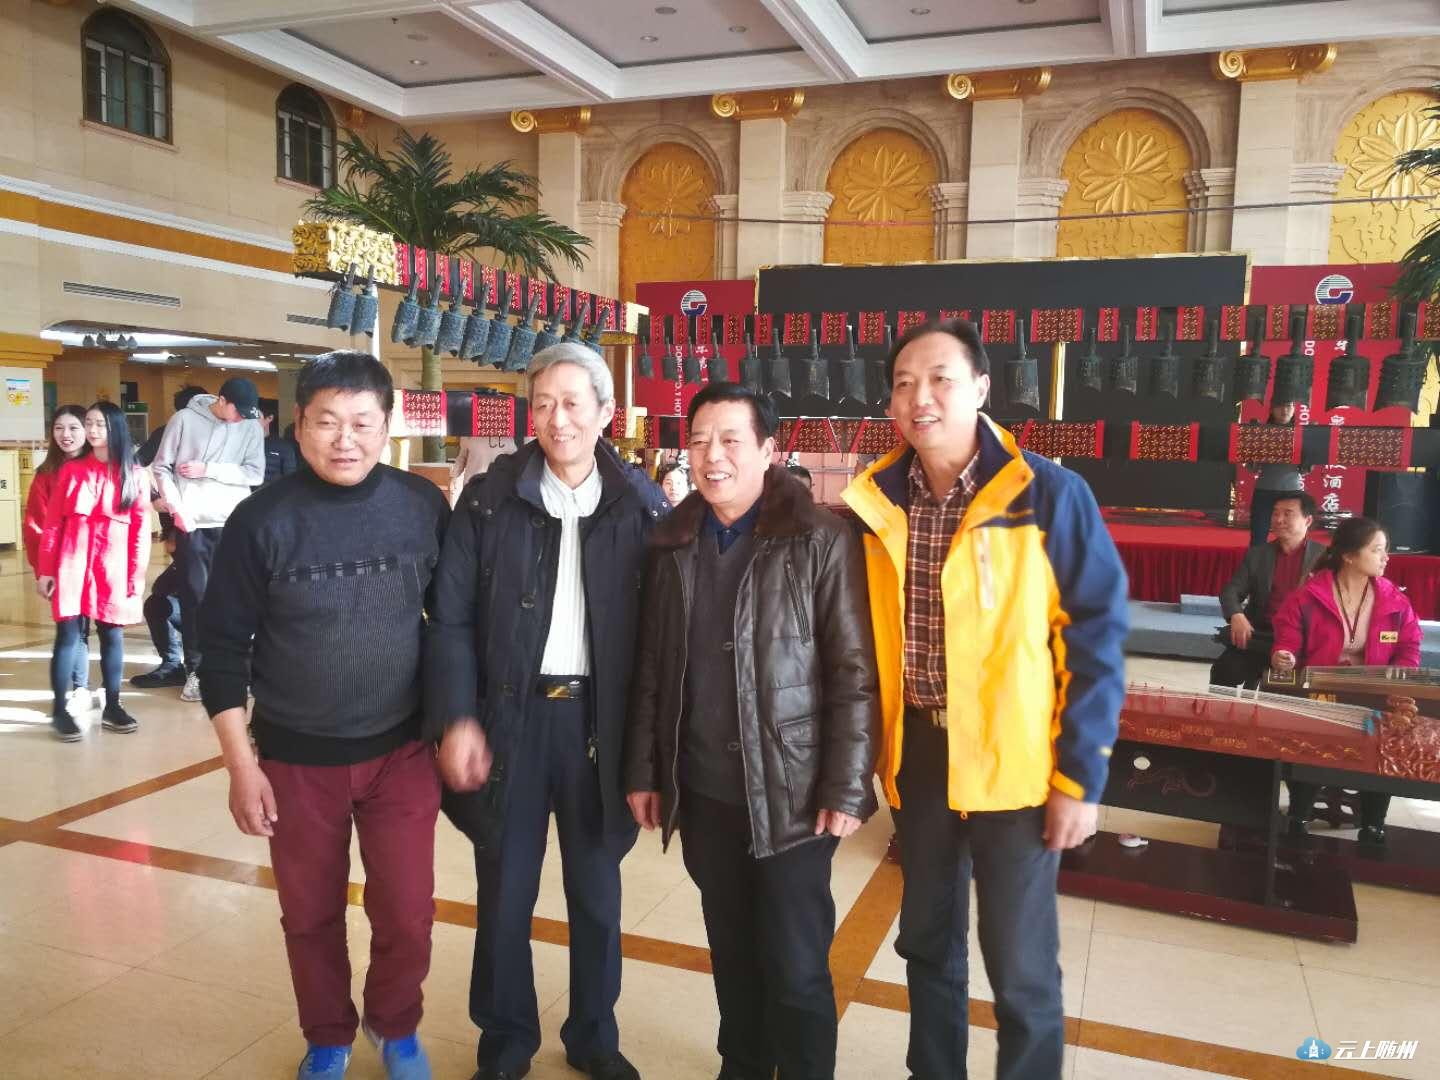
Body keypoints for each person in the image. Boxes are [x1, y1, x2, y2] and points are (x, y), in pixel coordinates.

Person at [841, 318, 1128, 1080]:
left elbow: (1095, 642)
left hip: (1015, 763)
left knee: (1021, 966)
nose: (921, 398)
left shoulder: (1047, 494)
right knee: (927, 943)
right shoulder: (876, 505)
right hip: (921, 755)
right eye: (904, 384)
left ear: (981, 388)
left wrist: (1080, 780)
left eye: (940, 379)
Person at [198, 351, 449, 1080]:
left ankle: (394, 1025)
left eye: (362, 423)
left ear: (387, 426)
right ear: (299, 425)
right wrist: (241, 768)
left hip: (402, 752)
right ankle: (329, 1035)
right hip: (295, 759)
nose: (346, 440)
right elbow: (221, 652)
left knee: (408, 911)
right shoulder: (261, 521)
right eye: (327, 422)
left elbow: (454, 623)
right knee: (310, 915)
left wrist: (459, 723)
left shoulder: (421, 505)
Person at [425, 342, 667, 1080]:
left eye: (573, 403)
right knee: (505, 895)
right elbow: (450, 618)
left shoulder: (642, 508)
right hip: (511, 721)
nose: (558, 419)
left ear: (606, 413)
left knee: (596, 894)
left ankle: (594, 1037)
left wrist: (650, 755)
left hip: (599, 726)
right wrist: (457, 717)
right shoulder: (489, 499)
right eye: (543, 404)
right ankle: (505, 1043)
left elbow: (661, 643)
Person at [625, 383, 879, 1080]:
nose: (713, 456)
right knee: (732, 953)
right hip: (706, 791)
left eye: (731, 440)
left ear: (769, 450)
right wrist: (646, 770)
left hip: (794, 793)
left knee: (796, 964)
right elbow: (652, 668)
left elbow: (854, 670)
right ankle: (741, 1065)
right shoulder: (673, 541)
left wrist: (847, 786)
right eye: (700, 440)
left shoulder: (820, 539)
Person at [1272, 516, 1422, 845]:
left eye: (1386, 550)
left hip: (1375, 696)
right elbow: (1287, 640)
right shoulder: (1308, 597)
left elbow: (1409, 646)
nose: (1386, 558)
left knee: (1385, 741)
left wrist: (1400, 674)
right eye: (1377, 550)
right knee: (1312, 740)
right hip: (1322, 695)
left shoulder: (1394, 600)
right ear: (1350, 556)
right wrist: (1284, 655)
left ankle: (1374, 824)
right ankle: (1299, 816)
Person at [35, 402, 150, 741]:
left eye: (100, 424)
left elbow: (140, 531)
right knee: (68, 636)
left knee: (112, 635)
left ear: (116, 428)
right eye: (89, 423)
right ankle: (60, 710)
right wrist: (46, 569)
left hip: (112, 566)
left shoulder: (134, 475)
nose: (92, 430)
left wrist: (135, 576)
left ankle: (113, 704)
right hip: (72, 563)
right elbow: (53, 523)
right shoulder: (72, 470)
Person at [151, 376, 265, 702]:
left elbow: (255, 472)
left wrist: (209, 469)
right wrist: (176, 508)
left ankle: (238, 668)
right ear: (222, 400)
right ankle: (197, 672)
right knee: (195, 599)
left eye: (247, 414)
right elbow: (161, 467)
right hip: (194, 522)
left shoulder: (250, 426)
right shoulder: (184, 420)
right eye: (237, 411)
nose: (241, 418)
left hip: (234, 522)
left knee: (237, 598)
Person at [23, 406, 98, 719]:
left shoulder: (100, 466)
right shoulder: (46, 474)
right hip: (63, 565)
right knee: (71, 627)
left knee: (89, 628)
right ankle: (79, 689)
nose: (65, 435)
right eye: (58, 428)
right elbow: (36, 526)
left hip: (96, 562)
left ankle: (89, 690)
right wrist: (45, 570)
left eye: (73, 428)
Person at [132, 384, 206, 690]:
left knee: (195, 599)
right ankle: (175, 664)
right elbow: (133, 465)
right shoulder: (167, 432)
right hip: (182, 537)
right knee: (162, 599)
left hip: (211, 540)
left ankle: (204, 667)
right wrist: (154, 499)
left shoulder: (220, 436)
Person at [1210, 491, 1325, 689]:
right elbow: (1231, 590)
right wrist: (1237, 614)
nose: (1278, 519)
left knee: (1283, 684)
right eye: (1275, 513)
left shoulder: (1325, 557)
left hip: (1301, 639)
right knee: (1224, 670)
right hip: (1260, 632)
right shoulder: (1258, 555)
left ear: (1307, 520)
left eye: (1287, 513)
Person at [1248, 400, 1306, 546]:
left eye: (1289, 406)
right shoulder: (1261, 432)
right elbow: (1253, 467)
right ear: (1272, 409)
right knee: (1258, 536)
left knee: (1292, 536)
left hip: (1292, 492)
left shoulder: (1303, 433)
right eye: (1280, 406)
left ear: (1294, 409)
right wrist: (1252, 439)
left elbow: (1305, 469)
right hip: (1265, 490)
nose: (1285, 410)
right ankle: (1258, 561)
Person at [259, 403, 299, 487]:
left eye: (256, 416)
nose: (251, 420)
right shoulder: (241, 444)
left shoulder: (283, 447)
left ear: (269, 418)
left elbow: (291, 481)